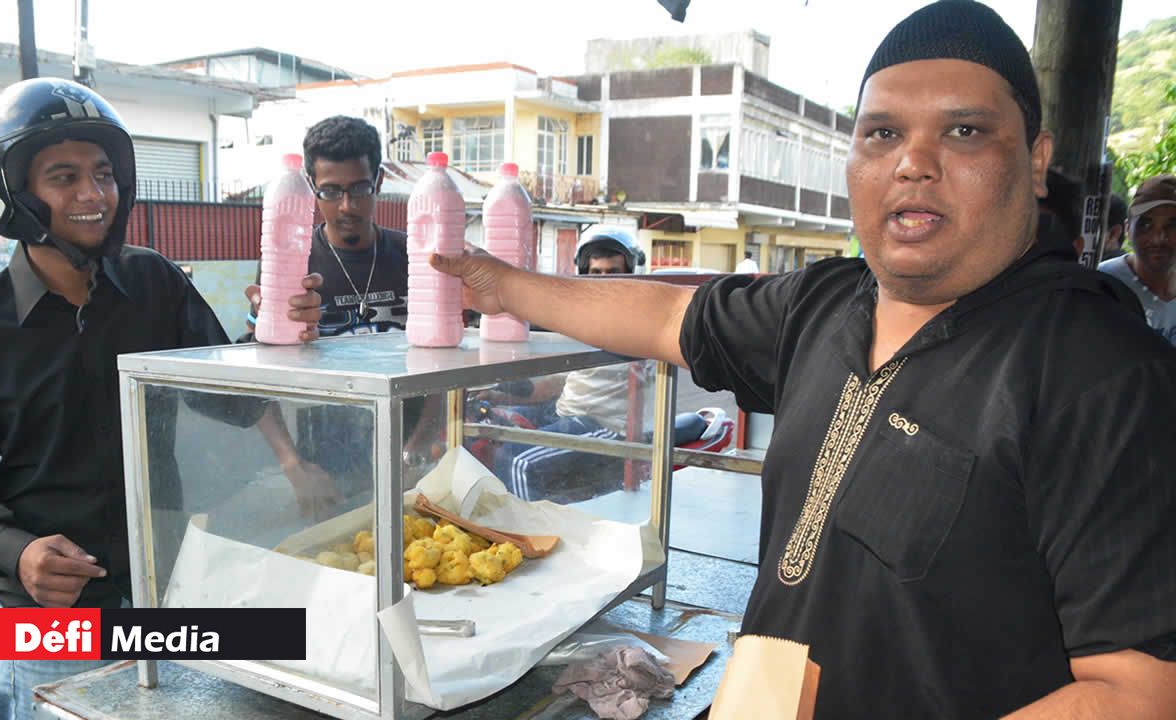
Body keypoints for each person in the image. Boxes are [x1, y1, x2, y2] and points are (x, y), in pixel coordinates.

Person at [431, 2, 1176, 717]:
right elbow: (666, 316)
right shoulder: (824, 303)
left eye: (964, 131)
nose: (914, 163)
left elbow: (1140, 693)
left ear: (1036, 160)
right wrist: (504, 286)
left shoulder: (1104, 374)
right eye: (882, 133)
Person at [0, 78, 323, 720]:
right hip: (53, 617)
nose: (93, 194)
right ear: (12, 195)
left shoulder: (154, 282)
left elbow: (230, 399)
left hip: (169, 590)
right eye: (64, 177)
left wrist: (273, 333)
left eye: (103, 174)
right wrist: (16, 550)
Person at [247, 116, 436, 506]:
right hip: (326, 470)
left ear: (378, 182)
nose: (346, 206)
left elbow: (445, 361)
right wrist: (291, 463)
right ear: (310, 187)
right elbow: (255, 376)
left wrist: (421, 445)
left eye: (359, 189)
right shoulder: (291, 263)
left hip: (414, 461)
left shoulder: (414, 256)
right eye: (330, 191)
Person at [486, 229, 650, 501]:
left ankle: (527, 527)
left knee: (515, 460)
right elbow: (560, 382)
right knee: (484, 427)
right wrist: (499, 395)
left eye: (613, 273)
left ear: (631, 274)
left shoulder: (640, 319)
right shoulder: (587, 319)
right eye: (596, 273)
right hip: (564, 412)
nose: (604, 281)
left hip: (607, 426)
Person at [1098, 174, 1176, 344]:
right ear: (1127, 229)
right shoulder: (1103, 282)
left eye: (1172, 225)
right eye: (1146, 225)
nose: (1158, 238)